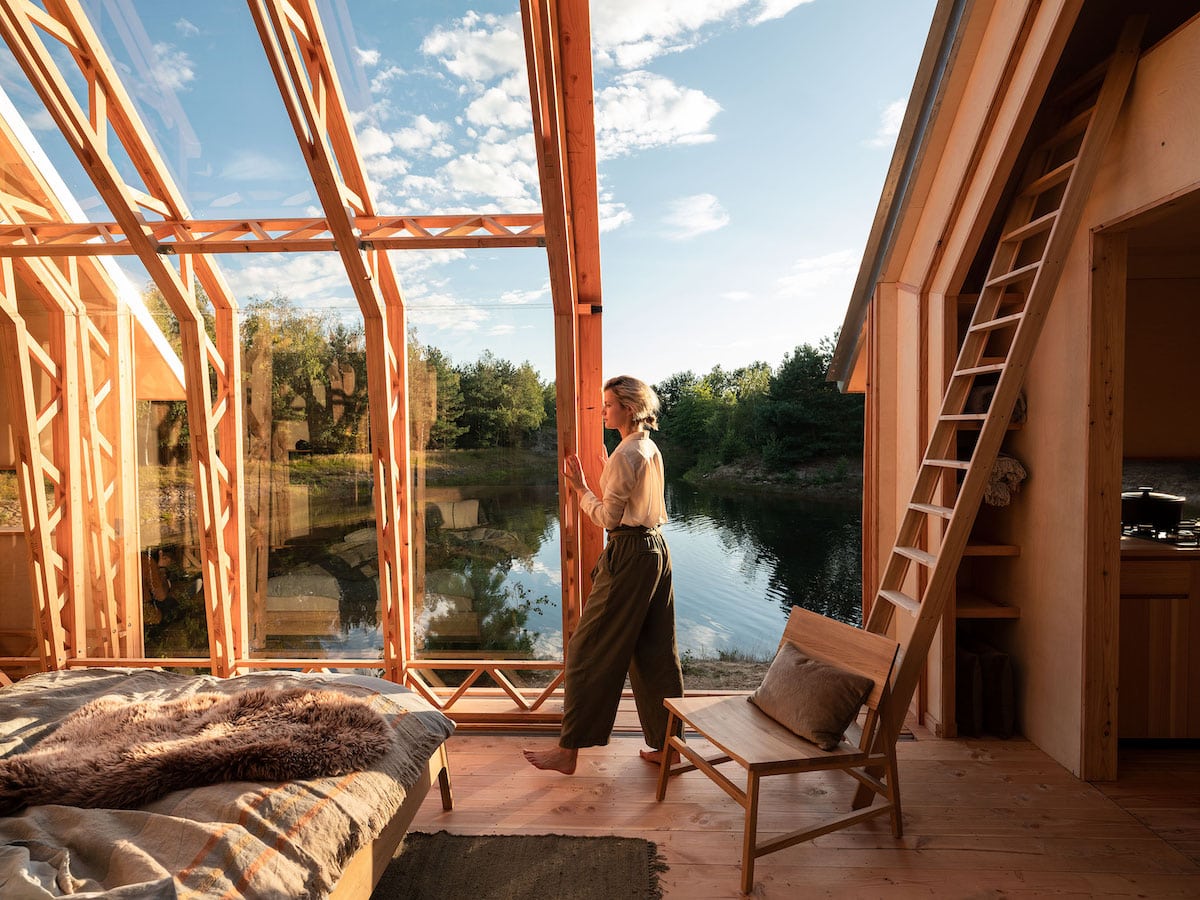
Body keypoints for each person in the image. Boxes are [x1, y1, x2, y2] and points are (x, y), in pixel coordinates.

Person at [524, 375, 684, 775]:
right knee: (655, 653)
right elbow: (629, 501)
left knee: (586, 650)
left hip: (630, 553)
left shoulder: (627, 455)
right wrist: (604, 468)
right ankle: (670, 747)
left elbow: (609, 518)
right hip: (655, 551)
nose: (604, 411)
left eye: (609, 405)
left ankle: (569, 751)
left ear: (628, 408)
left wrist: (579, 487)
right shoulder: (646, 447)